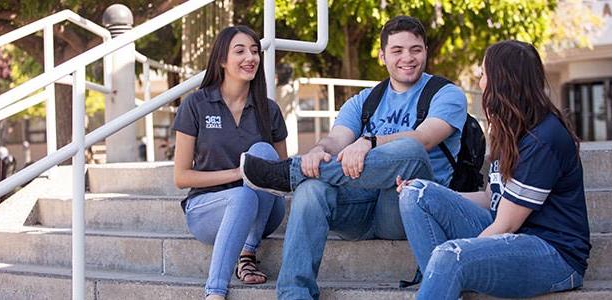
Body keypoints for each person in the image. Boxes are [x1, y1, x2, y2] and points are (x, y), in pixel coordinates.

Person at [240, 16, 467, 299]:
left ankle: (289, 174)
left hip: (407, 207)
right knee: (311, 188)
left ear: (425, 51)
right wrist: (316, 153)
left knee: (411, 150)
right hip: (358, 206)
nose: (407, 58)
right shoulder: (365, 100)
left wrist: (368, 142)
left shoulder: (446, 94)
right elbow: (335, 141)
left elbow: (426, 138)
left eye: (415, 49)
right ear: (383, 55)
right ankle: (294, 294)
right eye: (397, 50)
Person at [397, 40, 591, 299]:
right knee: (417, 194)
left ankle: (443, 280)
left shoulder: (544, 138)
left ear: (502, 80)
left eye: (484, 74)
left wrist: (462, 255)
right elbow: (491, 198)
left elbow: (506, 224)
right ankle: (443, 284)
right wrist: (434, 193)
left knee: (449, 256)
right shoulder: (509, 128)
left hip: (553, 254)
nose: (480, 82)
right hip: (508, 234)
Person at [172, 25, 288, 300]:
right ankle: (215, 292)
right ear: (222, 60)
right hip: (207, 209)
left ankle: (248, 250)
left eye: (254, 51)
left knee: (264, 153)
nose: (250, 57)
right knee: (241, 197)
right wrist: (239, 173)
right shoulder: (196, 105)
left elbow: (281, 171)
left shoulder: (269, 109)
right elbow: (181, 177)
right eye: (240, 51)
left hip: (263, 212)